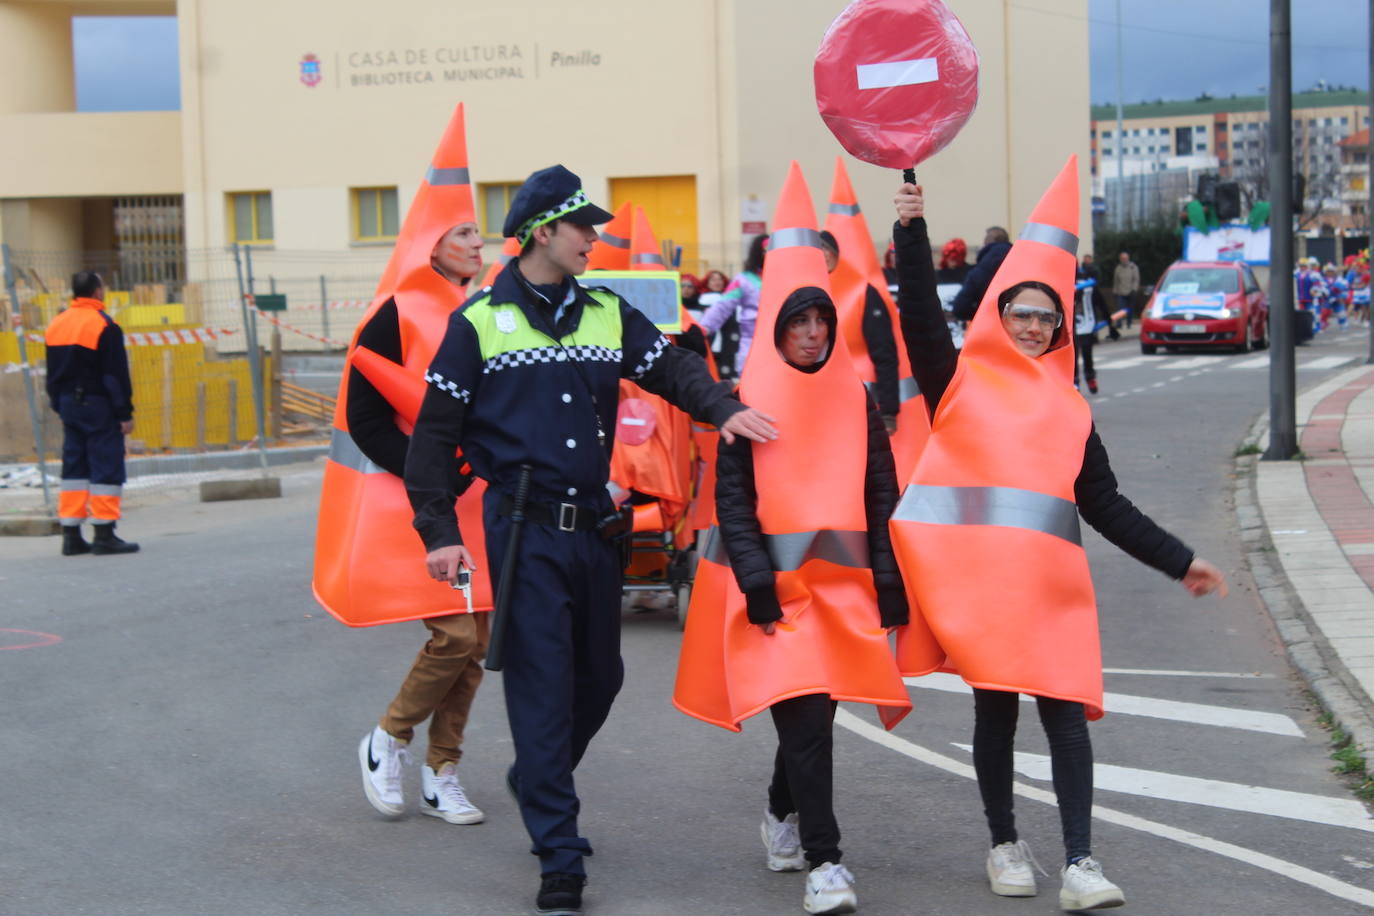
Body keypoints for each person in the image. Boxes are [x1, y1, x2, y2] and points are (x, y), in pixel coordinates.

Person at [404, 164, 777, 916]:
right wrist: (439, 531)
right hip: (523, 534)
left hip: (594, 533)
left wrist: (722, 405)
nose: (594, 239)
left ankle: (539, 778)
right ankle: (559, 855)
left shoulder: (605, 309)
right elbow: (433, 438)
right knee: (541, 691)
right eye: (583, 227)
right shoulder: (479, 322)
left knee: (599, 680)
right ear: (545, 231)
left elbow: (669, 366)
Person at [890, 171, 1227, 912]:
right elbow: (917, 314)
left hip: (1052, 593)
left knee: (1067, 715)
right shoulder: (958, 381)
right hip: (985, 592)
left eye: (1049, 317)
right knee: (997, 713)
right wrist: (911, 231)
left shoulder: (1072, 408)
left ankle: (1080, 860)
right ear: (998, 316)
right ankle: (1004, 842)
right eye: (1023, 314)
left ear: (1062, 326)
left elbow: (1104, 503)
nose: (1037, 327)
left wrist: (1180, 559)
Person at [674, 163, 910, 915]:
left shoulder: (857, 396)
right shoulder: (747, 403)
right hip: (773, 594)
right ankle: (826, 862)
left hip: (842, 593)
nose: (810, 333)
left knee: (813, 714)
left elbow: (881, 493)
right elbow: (734, 506)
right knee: (808, 721)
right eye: (796, 322)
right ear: (776, 328)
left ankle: (780, 813)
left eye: (819, 321)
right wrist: (756, 584)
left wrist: (891, 578)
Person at [348, 219, 491, 827]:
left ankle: (443, 772)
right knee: (455, 637)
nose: (479, 246)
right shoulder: (395, 311)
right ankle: (389, 738)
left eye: (481, 234)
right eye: (464, 233)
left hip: (478, 499)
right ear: (431, 243)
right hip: (420, 501)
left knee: (477, 644)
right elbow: (366, 416)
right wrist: (429, 472)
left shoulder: (481, 309)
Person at [44, 270, 138, 556]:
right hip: (98, 405)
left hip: (68, 404)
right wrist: (124, 413)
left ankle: (71, 535)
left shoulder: (57, 324)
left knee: (74, 467)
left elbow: (52, 374)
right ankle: (104, 533)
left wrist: (59, 404)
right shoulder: (104, 325)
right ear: (98, 292)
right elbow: (114, 375)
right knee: (105, 463)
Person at [819, 229, 902, 428]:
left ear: (829, 254)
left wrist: (888, 410)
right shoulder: (812, 291)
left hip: (860, 401)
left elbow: (884, 352)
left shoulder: (862, 293)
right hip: (823, 401)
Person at [699, 234, 767, 378]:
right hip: (752, 346)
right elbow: (722, 305)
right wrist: (703, 329)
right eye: (766, 250)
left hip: (785, 345)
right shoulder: (744, 280)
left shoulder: (784, 278)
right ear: (758, 253)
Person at [949, 226, 1012, 322]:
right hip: (1014, 326)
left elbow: (959, 308)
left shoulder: (978, 272)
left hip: (986, 326)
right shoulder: (1021, 265)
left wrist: (980, 315)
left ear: (986, 243)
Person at [1072, 261, 1111, 394]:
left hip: (1079, 325)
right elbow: (1101, 302)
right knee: (1082, 354)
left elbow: (1099, 301)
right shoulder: (1086, 282)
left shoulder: (1086, 283)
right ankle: (1084, 379)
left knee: (1077, 355)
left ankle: (1080, 380)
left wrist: (1108, 320)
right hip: (1084, 324)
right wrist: (1108, 320)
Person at [698, 269, 739, 378]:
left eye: (720, 279)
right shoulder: (702, 300)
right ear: (707, 282)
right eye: (713, 279)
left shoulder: (731, 299)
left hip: (730, 343)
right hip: (712, 343)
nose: (717, 282)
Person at [1111, 251, 1140, 329]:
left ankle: (1129, 323)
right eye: (1122, 258)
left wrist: (1134, 289)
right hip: (1120, 292)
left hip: (1131, 291)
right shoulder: (1118, 268)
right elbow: (1116, 281)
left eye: (1125, 258)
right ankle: (1119, 323)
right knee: (1120, 308)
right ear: (1120, 259)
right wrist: (1115, 291)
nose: (1124, 259)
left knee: (1130, 309)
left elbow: (1136, 279)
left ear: (1128, 258)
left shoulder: (1133, 267)